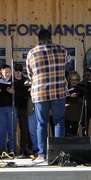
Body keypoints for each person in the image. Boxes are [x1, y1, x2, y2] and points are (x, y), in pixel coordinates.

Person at [26, 28, 68, 163]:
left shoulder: (32, 53)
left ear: (38, 39)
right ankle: (58, 153)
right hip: (58, 91)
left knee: (41, 123)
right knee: (58, 122)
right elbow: (68, 60)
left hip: (40, 92)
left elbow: (30, 74)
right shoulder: (61, 49)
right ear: (51, 38)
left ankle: (42, 154)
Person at [0, 65, 17, 155]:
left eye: (9, 72)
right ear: (1, 72)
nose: (7, 74)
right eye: (5, 72)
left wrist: (13, 92)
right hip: (0, 108)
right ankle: (0, 150)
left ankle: (12, 150)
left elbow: (19, 95)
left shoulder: (14, 82)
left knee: (12, 130)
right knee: (1, 131)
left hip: (12, 108)